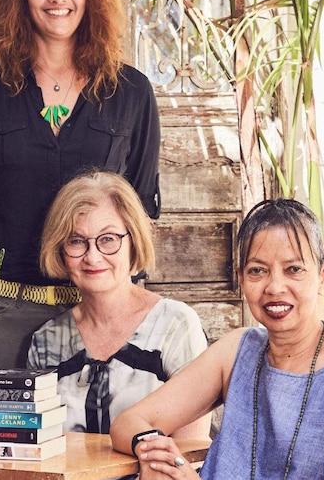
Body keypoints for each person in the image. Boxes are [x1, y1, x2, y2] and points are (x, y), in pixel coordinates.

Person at [0, 0, 161, 368]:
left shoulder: (132, 93)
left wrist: (94, 274)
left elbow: (136, 209)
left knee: (97, 437)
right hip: (3, 311)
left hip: (100, 310)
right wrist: (19, 255)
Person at [109, 199, 324, 480]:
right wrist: (158, 456)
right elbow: (127, 424)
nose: (275, 287)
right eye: (258, 270)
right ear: (241, 278)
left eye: (294, 269)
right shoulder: (238, 351)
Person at [27, 171, 211, 441]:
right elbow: (41, 449)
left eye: (108, 239)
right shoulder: (46, 341)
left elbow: (190, 450)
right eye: (77, 241)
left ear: (133, 241)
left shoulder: (176, 325)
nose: (92, 256)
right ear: (60, 250)